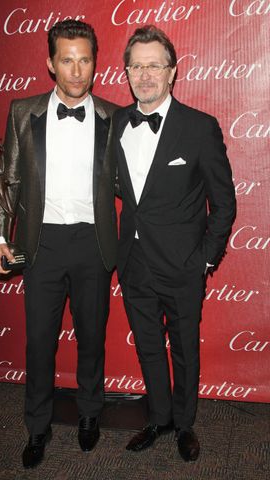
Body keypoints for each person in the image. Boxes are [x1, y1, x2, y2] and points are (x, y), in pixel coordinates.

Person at [0, 19, 117, 469]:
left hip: (93, 242)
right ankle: (37, 427)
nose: (77, 70)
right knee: (40, 342)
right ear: (50, 63)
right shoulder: (23, 112)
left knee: (91, 339)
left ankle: (89, 415)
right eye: (67, 60)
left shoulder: (112, 116)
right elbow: (9, 178)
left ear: (95, 64)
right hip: (40, 243)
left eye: (85, 60)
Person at [112, 25, 236, 462]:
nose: (145, 76)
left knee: (184, 348)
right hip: (134, 262)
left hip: (184, 264)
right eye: (137, 66)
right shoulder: (116, 125)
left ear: (172, 72)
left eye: (154, 66)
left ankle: (184, 424)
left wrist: (204, 260)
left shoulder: (200, 128)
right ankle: (158, 417)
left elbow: (224, 203)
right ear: (126, 72)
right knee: (148, 345)